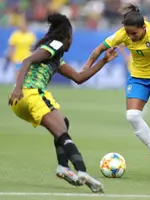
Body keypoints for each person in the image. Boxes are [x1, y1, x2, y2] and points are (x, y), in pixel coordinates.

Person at [8, 13, 117, 193]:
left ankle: (63, 167)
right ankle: (82, 171)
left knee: (62, 124)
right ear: (67, 36)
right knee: (63, 134)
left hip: (20, 104)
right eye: (71, 37)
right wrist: (18, 88)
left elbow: (79, 78)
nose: (71, 41)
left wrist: (103, 61)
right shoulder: (55, 45)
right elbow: (27, 60)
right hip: (31, 94)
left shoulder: (56, 57)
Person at [82, 4, 150, 179]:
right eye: (128, 33)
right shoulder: (123, 34)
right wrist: (85, 68)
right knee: (132, 116)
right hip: (138, 78)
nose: (131, 37)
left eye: (134, 33)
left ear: (143, 27)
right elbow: (99, 49)